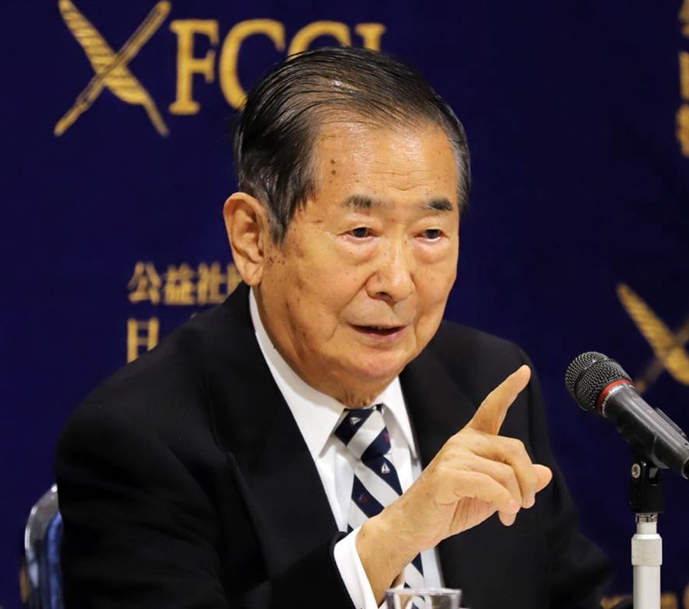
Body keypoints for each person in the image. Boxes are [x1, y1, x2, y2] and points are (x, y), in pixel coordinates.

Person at [56, 46, 610, 609]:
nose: (397, 282)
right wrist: (391, 540)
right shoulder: (142, 438)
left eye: (430, 234)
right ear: (253, 238)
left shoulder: (489, 383)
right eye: (360, 232)